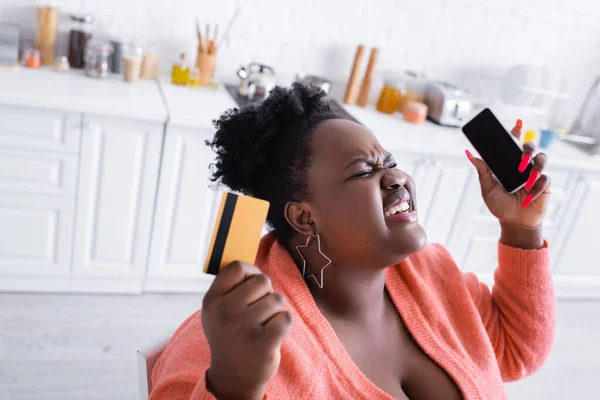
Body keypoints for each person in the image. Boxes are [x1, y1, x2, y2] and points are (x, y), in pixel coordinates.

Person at [150, 83, 555, 400]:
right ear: (304, 217)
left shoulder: (433, 274)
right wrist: (232, 388)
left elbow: (515, 352)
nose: (396, 178)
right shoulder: (238, 340)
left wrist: (521, 229)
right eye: (364, 172)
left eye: (391, 162)